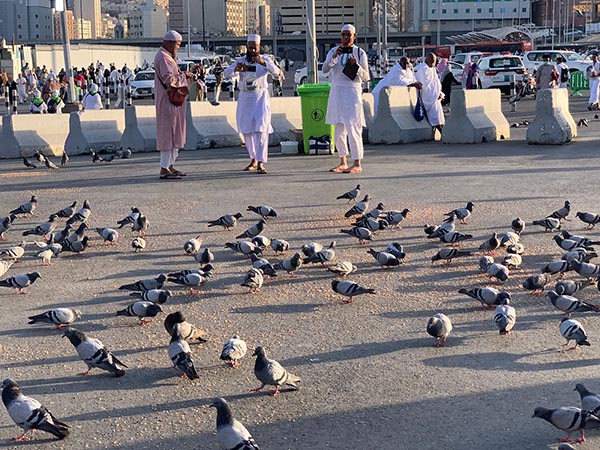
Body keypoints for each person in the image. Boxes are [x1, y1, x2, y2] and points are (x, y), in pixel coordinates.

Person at [224, 33, 280, 174]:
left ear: (259, 47)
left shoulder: (265, 59)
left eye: (255, 48)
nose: (252, 50)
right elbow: (226, 73)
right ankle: (253, 159)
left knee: (261, 129)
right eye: (250, 48)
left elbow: (277, 73)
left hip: (260, 97)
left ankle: (261, 162)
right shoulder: (241, 60)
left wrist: (263, 63)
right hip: (245, 98)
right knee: (247, 130)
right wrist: (236, 69)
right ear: (247, 47)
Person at [323, 24, 370, 174]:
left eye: (348, 35)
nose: (345, 38)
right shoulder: (332, 51)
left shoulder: (359, 52)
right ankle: (342, 160)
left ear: (354, 36)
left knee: (353, 127)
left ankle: (357, 162)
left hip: (352, 92)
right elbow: (325, 69)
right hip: (337, 91)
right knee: (338, 129)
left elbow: (366, 76)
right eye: (343, 34)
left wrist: (355, 65)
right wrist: (335, 56)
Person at [154, 30, 192, 180]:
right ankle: (164, 168)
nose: (178, 47)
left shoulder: (169, 57)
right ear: (169, 43)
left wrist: (185, 74)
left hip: (174, 102)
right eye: (177, 44)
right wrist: (185, 76)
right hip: (168, 101)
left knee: (174, 132)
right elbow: (170, 80)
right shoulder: (164, 58)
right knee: (168, 134)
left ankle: (170, 165)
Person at [414, 53, 445, 134]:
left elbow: (435, 82)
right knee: (435, 116)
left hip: (435, 96)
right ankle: (442, 132)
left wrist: (439, 92)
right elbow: (425, 85)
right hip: (428, 96)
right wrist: (435, 94)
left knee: (439, 116)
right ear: (428, 60)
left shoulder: (432, 69)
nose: (434, 62)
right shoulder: (422, 69)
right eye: (433, 60)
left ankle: (443, 132)